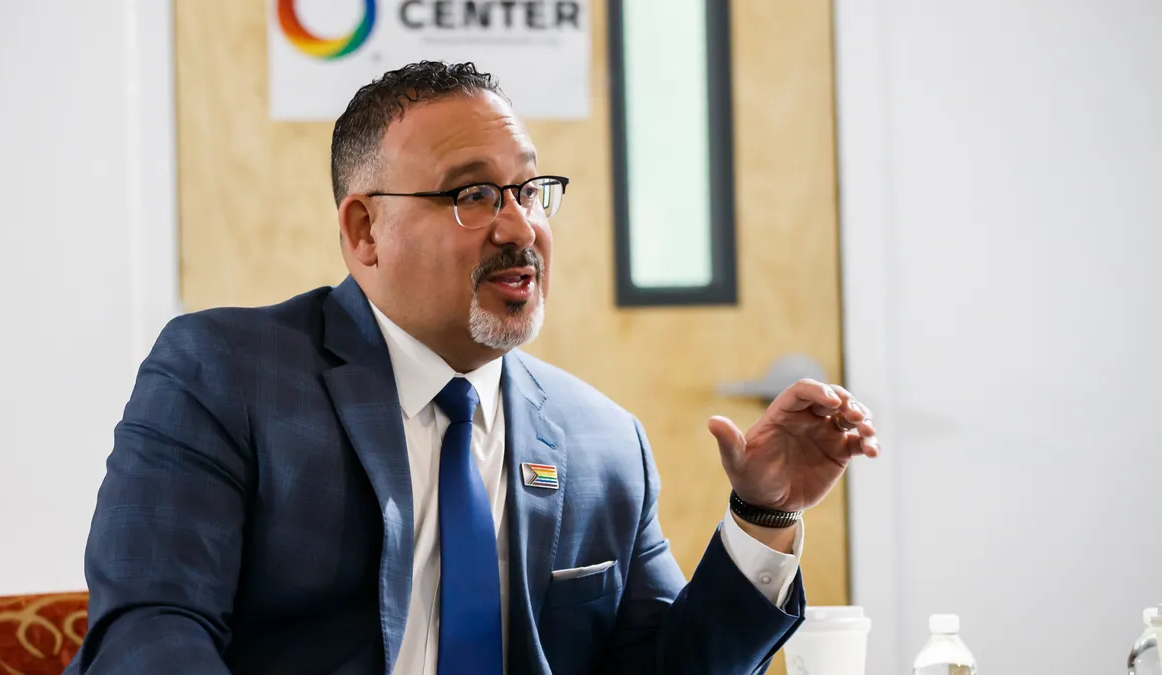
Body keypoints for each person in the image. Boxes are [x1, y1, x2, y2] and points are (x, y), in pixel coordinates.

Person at [65, 61, 880, 675]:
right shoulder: (225, 374)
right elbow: (152, 631)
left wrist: (761, 514)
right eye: (473, 195)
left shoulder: (603, 442)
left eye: (529, 189)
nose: (518, 225)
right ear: (365, 232)